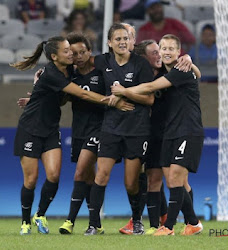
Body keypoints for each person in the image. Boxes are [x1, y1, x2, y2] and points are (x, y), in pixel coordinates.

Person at [10, 35, 132, 235]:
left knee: (54, 176)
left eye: (74, 51)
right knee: (31, 180)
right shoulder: (51, 73)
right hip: (30, 128)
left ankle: (40, 215)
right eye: (67, 51)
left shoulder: (69, 71)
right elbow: (81, 94)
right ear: (54, 57)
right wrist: (111, 100)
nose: (73, 55)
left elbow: (60, 97)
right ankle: (25, 222)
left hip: (51, 130)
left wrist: (35, 96)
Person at [111, 34, 204, 236]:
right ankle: (193, 223)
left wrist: (123, 91)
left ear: (178, 52)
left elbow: (151, 88)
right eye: (164, 48)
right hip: (168, 132)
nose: (167, 52)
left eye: (172, 48)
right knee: (172, 180)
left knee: (177, 178)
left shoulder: (181, 70)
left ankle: (168, 226)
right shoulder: (160, 72)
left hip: (187, 130)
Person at [85, 23, 154, 236]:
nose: (122, 42)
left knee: (131, 183)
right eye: (118, 39)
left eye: (126, 38)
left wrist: (125, 93)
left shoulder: (141, 64)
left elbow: (150, 99)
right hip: (111, 128)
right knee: (101, 175)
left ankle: (136, 220)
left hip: (136, 129)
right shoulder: (102, 61)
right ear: (109, 42)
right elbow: (78, 63)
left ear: (131, 41)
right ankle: (93, 224)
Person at [58, 32, 106, 234]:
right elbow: (62, 101)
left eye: (82, 52)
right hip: (78, 129)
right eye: (74, 53)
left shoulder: (102, 73)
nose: (78, 56)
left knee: (80, 172)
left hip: (99, 128)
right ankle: (96, 223)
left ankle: (69, 221)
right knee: (88, 177)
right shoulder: (72, 76)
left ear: (89, 51)